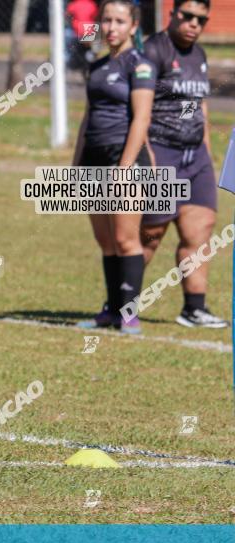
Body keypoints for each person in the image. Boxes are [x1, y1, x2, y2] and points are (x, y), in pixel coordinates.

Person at [138, 0, 225, 328]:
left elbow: (195, 105)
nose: (193, 24)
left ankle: (194, 308)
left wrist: (204, 147)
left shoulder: (199, 56)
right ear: (172, 14)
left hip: (196, 157)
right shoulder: (153, 52)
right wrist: (148, 159)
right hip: (161, 153)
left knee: (199, 233)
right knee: (151, 234)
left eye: (201, 20)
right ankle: (119, 302)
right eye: (187, 16)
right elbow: (138, 110)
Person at [75, 0, 155, 335]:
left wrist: (124, 167)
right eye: (106, 20)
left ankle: (128, 314)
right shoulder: (96, 64)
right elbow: (88, 117)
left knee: (126, 240)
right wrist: (76, 163)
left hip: (125, 162)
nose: (111, 28)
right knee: (106, 241)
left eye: (119, 21)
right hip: (93, 160)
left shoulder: (141, 66)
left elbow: (142, 118)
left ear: (133, 27)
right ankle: (109, 310)